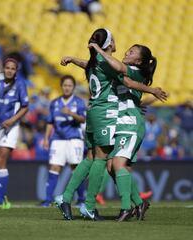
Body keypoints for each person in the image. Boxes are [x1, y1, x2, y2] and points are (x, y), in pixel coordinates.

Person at [54, 28, 166, 221]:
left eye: (132, 51)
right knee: (103, 160)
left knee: (101, 161)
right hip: (107, 114)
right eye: (113, 40)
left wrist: (73, 58)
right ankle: (89, 206)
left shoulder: (103, 62)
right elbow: (127, 81)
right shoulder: (109, 63)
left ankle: (67, 198)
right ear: (108, 44)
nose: (124, 49)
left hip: (103, 114)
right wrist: (151, 90)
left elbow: (93, 65)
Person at [87, 42, 167, 221]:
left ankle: (126, 208)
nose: (127, 52)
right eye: (128, 50)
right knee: (111, 166)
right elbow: (96, 67)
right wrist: (73, 59)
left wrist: (99, 50)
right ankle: (139, 203)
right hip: (121, 123)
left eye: (132, 52)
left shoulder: (133, 70)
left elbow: (120, 70)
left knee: (117, 164)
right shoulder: (122, 71)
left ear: (139, 61)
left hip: (130, 123)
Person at [0, 57, 29, 209]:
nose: (9, 70)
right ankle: (2, 197)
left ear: (16, 71)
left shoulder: (20, 85)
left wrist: (12, 120)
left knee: (1, 162)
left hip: (10, 128)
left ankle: (0, 202)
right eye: (7, 68)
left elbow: (25, 107)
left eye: (12, 68)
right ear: (3, 69)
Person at [40, 75, 86, 207]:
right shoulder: (54, 103)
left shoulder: (79, 102)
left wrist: (71, 113)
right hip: (57, 139)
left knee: (76, 168)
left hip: (74, 139)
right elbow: (50, 122)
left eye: (70, 85)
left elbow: (83, 119)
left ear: (73, 87)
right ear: (61, 86)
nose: (67, 88)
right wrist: (46, 138)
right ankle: (48, 200)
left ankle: (81, 199)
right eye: (65, 85)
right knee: (54, 167)